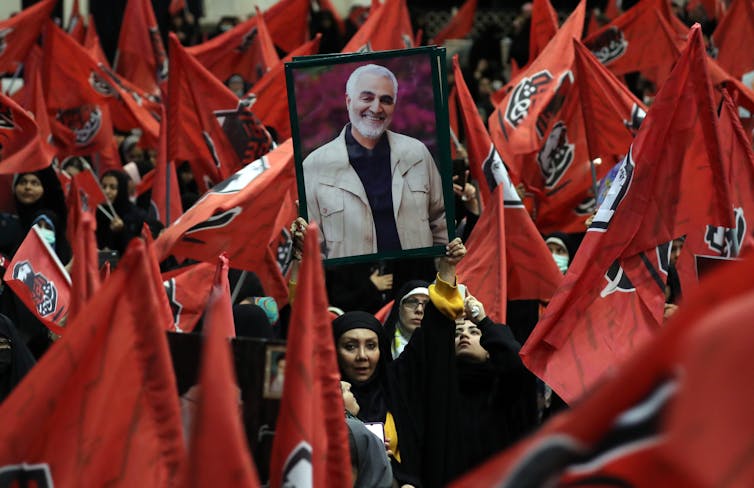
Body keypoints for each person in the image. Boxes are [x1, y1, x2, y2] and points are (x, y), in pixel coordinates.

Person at [332, 238, 466, 487]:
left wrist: (447, 269)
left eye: (371, 346)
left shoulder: (398, 384)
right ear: (334, 352)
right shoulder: (322, 398)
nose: (362, 356)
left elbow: (432, 337)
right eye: (350, 346)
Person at [302, 64, 447, 260]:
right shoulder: (314, 166)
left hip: (416, 285)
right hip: (351, 288)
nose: (376, 108)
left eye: (386, 100)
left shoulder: (417, 154)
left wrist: (440, 271)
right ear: (348, 101)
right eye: (367, 98)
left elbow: (440, 221)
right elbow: (311, 250)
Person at [454, 294, 539, 472]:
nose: (464, 335)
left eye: (474, 332)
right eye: (457, 333)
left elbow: (516, 361)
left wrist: (483, 322)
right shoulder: (442, 389)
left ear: (489, 348)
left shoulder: (504, 386)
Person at [382, 280, 430, 359]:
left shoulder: (443, 350)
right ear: (399, 308)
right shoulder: (379, 346)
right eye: (412, 302)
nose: (419, 310)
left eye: (427, 305)